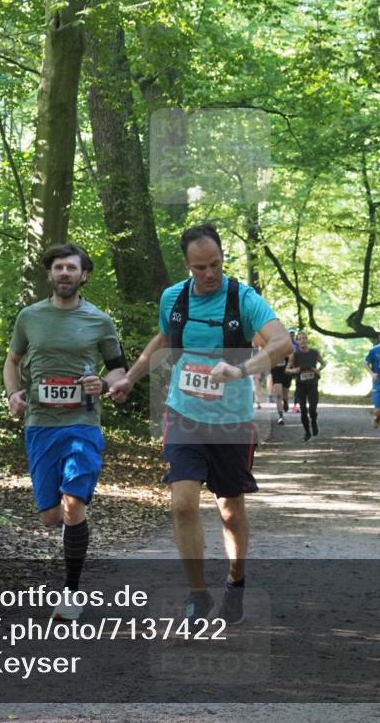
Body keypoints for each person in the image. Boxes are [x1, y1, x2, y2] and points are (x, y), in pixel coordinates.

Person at [109, 224, 291, 625]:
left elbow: (282, 344)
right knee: (182, 503)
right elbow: (163, 339)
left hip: (232, 422)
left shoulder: (243, 299)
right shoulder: (174, 298)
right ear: (187, 265)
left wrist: (241, 368)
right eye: (200, 267)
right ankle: (197, 596)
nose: (209, 274)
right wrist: (130, 377)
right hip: (184, 415)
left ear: (223, 258)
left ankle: (235, 582)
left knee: (230, 509)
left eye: (216, 265)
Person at [4, 243, 128, 621]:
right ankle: (70, 532)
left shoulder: (99, 320)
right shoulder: (29, 317)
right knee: (50, 515)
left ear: (83, 275)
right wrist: (13, 394)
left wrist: (104, 385)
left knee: (74, 506)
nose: (64, 274)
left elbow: (119, 371)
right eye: (58, 267)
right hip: (41, 424)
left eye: (71, 268)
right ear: (49, 274)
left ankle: (71, 593)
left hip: (82, 424)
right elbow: (12, 362)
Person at [285, 330, 327, 442]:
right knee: (303, 410)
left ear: (307, 340)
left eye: (304, 338)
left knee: (312, 409)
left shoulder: (314, 352)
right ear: (297, 341)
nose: (302, 340)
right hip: (301, 385)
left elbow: (324, 363)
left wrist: (317, 370)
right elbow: (287, 370)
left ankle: (313, 421)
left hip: (313, 384)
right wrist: (296, 369)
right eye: (300, 339)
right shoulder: (295, 355)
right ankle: (307, 431)